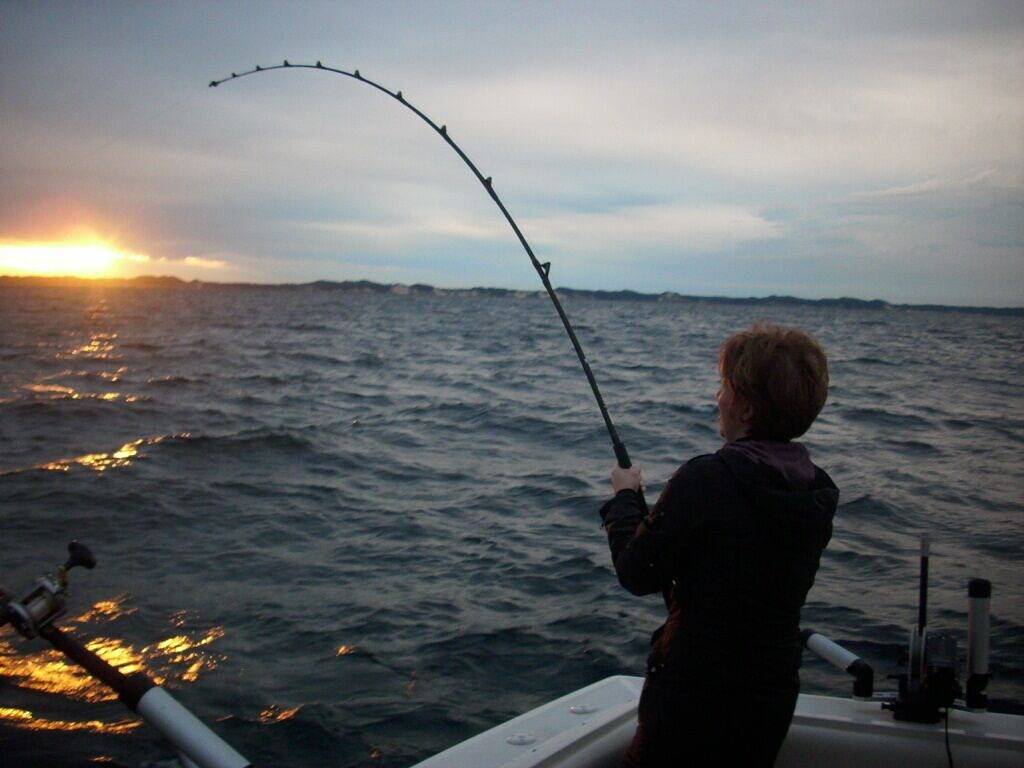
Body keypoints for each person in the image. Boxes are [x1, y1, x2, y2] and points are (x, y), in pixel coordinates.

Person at [599, 322, 838, 767]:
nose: (717, 398)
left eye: (724, 386)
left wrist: (625, 498)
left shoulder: (708, 478)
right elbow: (733, 572)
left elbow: (635, 571)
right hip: (769, 697)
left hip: (694, 698)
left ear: (746, 408)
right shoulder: (818, 491)